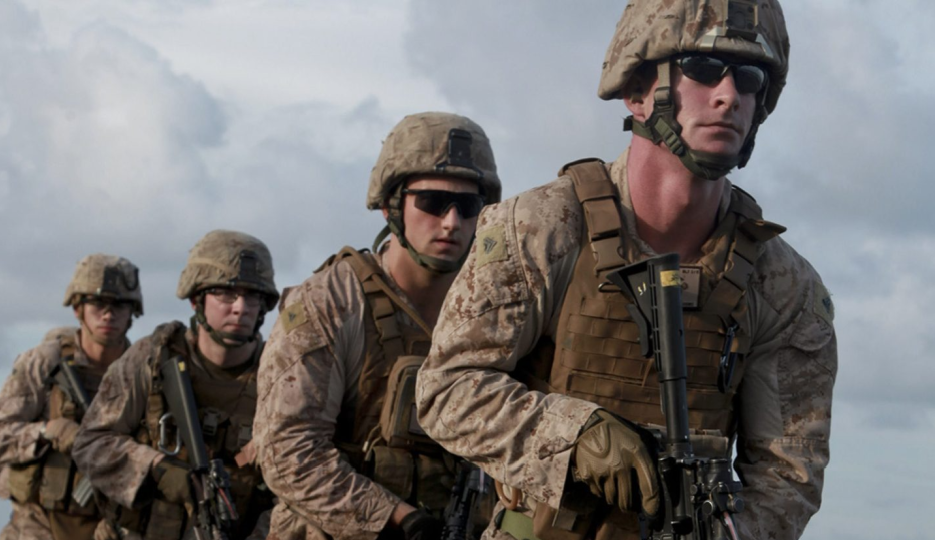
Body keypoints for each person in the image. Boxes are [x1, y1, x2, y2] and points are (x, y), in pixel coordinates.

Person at [415, 2, 837, 539]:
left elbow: (788, 474)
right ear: (638, 91)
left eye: (750, 77)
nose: (729, 95)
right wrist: (575, 436)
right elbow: (447, 389)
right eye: (703, 69)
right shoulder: (543, 228)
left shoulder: (784, 285)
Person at [253, 112, 501, 539]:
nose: (451, 222)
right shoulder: (330, 301)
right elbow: (286, 451)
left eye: (468, 206)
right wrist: (397, 519)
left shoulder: (494, 305)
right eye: (432, 202)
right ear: (391, 206)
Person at [72, 230, 278, 540]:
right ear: (197, 299)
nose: (241, 307)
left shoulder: (280, 377)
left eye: (253, 296)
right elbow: (90, 444)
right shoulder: (152, 359)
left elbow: (297, 485)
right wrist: (154, 467)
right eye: (225, 293)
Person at [0, 254, 143, 540]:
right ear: (78, 309)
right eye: (98, 304)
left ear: (132, 313)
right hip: (38, 525)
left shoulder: (143, 373)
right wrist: (47, 431)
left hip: (112, 528)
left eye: (120, 305)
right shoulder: (45, 363)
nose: (108, 314)